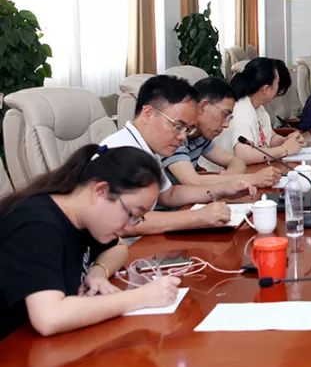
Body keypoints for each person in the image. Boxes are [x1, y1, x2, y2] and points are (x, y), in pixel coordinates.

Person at [0, 145, 180, 338]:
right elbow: (49, 317)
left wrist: (98, 272)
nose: (130, 227)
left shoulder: (84, 218)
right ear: (100, 191)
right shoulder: (37, 225)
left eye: (137, 219)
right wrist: (141, 296)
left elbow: (118, 248)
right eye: (131, 214)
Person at [100, 75, 257, 234]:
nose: (182, 137)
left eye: (187, 129)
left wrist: (221, 190)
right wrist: (197, 217)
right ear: (148, 114)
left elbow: (169, 194)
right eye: (178, 126)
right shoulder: (119, 150)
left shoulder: (148, 149)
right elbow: (124, 220)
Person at [161, 78, 278, 192]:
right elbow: (193, 181)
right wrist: (252, 179)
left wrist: (229, 176)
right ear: (203, 106)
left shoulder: (200, 136)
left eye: (229, 118)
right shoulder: (176, 135)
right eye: (224, 114)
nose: (226, 125)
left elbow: (237, 161)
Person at [219, 57, 305, 164]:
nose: (279, 88)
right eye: (277, 82)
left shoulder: (258, 106)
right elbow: (244, 155)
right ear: (266, 89)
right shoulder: (241, 111)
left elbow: (269, 138)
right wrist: (284, 149)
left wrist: (287, 141)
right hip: (226, 171)